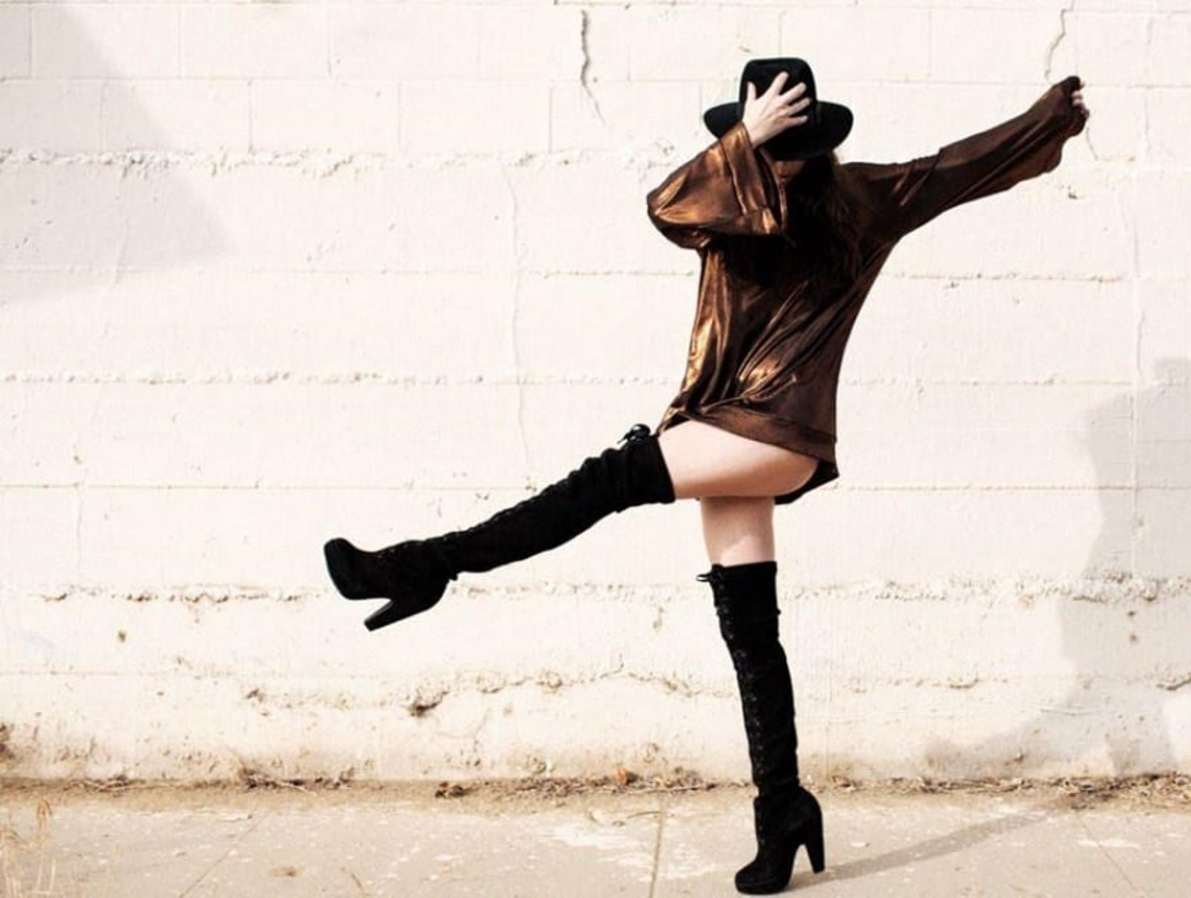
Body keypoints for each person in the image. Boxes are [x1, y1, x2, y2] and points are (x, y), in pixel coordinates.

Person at [324, 57, 1090, 894]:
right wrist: (745, 142)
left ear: (815, 138)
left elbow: (959, 166)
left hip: (778, 427)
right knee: (750, 630)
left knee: (605, 480)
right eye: (764, 138)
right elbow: (664, 206)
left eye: (784, 139)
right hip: (724, 424)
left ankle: (424, 564)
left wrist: (1048, 117)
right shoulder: (725, 204)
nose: (778, 157)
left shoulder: (864, 199)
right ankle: (784, 809)